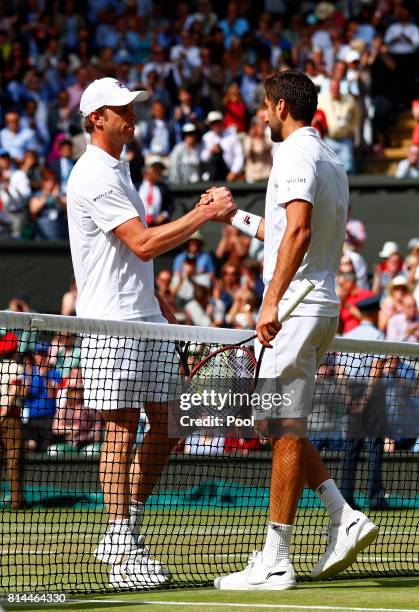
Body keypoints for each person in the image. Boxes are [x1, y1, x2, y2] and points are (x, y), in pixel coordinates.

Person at [66, 77, 236, 589]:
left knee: (170, 427)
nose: (131, 115)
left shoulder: (119, 170)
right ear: (96, 119)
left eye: (132, 107)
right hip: (111, 324)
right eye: (122, 109)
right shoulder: (93, 173)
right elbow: (141, 245)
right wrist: (204, 212)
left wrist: (162, 311)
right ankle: (121, 542)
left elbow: (130, 261)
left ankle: (126, 529)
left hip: (146, 320)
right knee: (120, 431)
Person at [211, 70, 378, 591]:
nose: (261, 115)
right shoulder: (329, 158)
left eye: (264, 106)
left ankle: (276, 557)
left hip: (298, 305)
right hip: (319, 306)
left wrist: (270, 299)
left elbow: (300, 231)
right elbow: (284, 229)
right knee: (277, 424)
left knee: (282, 426)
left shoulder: (293, 154)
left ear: (281, 106)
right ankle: (342, 514)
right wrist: (233, 217)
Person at [338, 295, 389, 511]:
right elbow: (376, 370)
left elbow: (340, 372)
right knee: (375, 448)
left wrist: (350, 400)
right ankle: (375, 498)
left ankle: (345, 499)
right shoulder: (378, 335)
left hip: (351, 392)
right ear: (376, 312)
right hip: (372, 395)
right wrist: (366, 400)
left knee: (350, 449)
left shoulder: (349, 336)